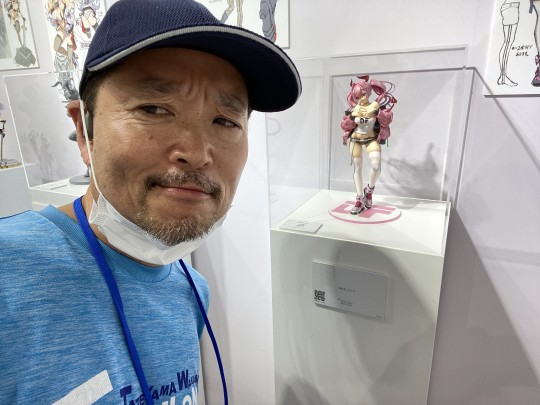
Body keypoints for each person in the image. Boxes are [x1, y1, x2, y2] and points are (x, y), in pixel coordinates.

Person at [0, 0, 301, 403]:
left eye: (225, 121)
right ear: (85, 132)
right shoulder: (9, 275)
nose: (197, 153)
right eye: (155, 109)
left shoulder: (190, 290)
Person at [340, 75, 396, 214]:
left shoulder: (374, 105)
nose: (360, 98)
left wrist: (377, 113)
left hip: (371, 139)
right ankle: (359, 199)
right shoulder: (353, 108)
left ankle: (369, 190)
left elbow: (387, 120)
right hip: (355, 140)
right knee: (357, 168)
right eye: (357, 95)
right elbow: (344, 126)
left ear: (369, 92)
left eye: (363, 94)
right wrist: (352, 116)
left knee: (376, 166)